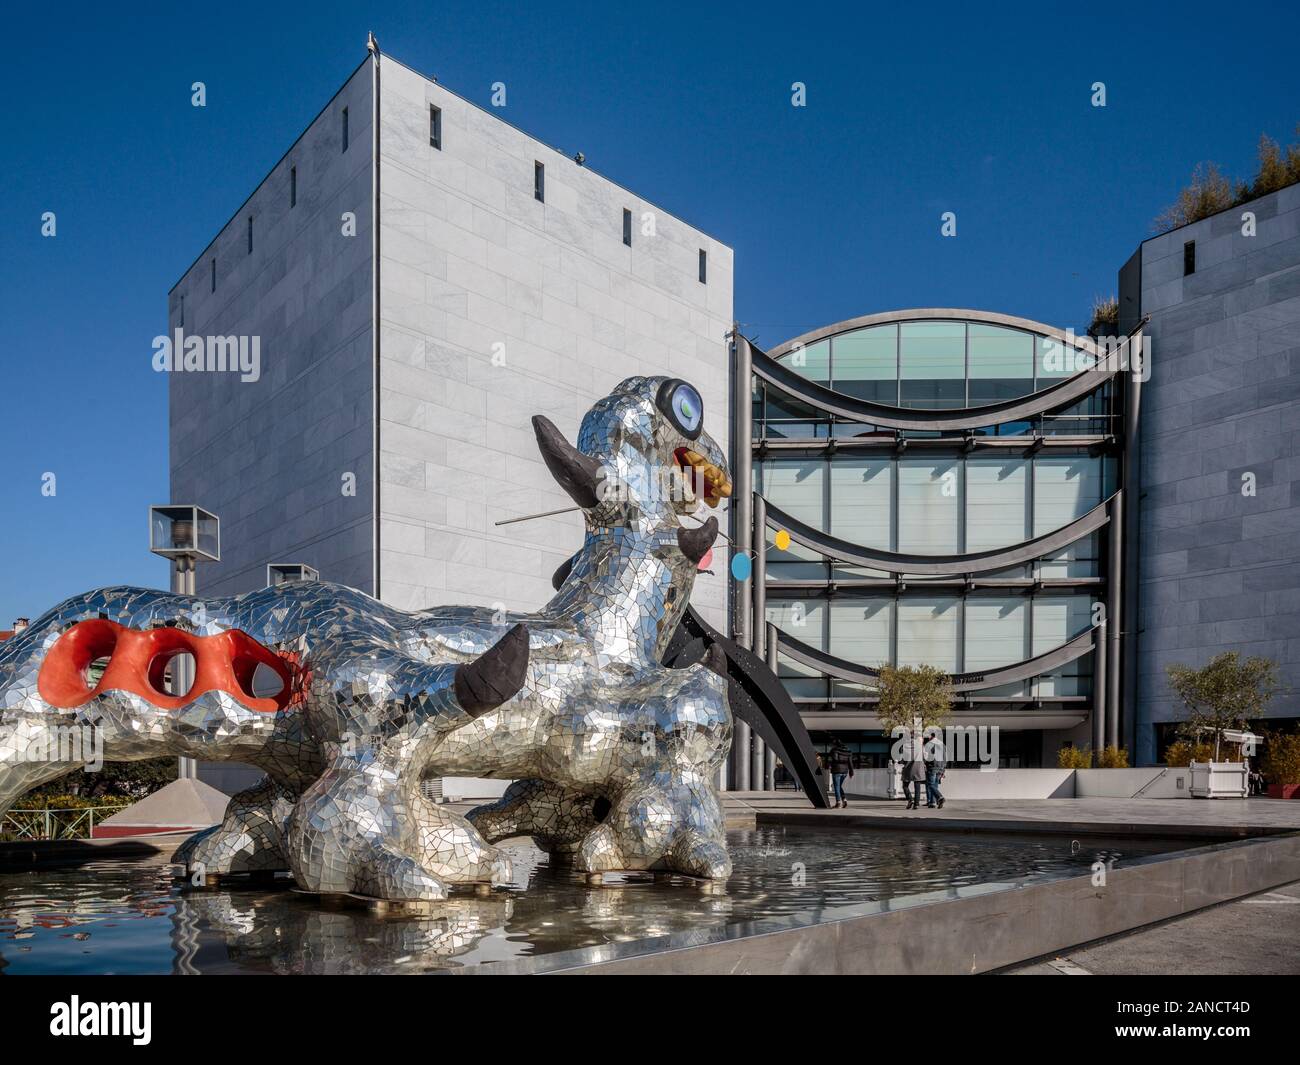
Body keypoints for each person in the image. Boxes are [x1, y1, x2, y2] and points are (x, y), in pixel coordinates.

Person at [827, 739, 854, 808]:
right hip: (845, 771)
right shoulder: (848, 751)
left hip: (837, 770)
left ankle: (838, 802)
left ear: (835, 744)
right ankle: (844, 800)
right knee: (838, 786)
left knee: (836, 786)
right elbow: (850, 762)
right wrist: (851, 772)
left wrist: (830, 763)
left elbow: (835, 759)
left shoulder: (835, 750)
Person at [923, 730, 946, 809]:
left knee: (930, 784)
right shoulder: (942, 744)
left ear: (931, 736)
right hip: (940, 768)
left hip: (932, 767)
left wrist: (925, 763)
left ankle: (940, 797)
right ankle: (932, 802)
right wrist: (943, 770)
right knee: (935, 785)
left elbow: (926, 757)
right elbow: (945, 758)